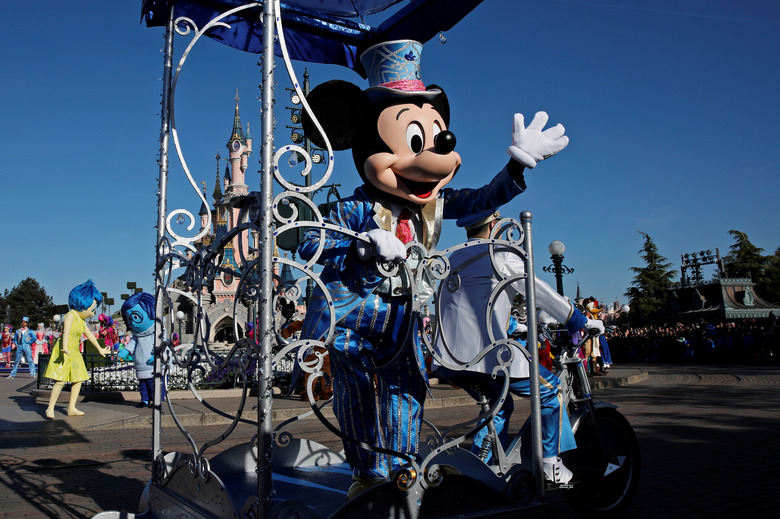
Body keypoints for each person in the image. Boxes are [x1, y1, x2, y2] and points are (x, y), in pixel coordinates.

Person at [297, 40, 569, 498]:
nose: (433, 157)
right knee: (360, 402)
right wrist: (364, 244)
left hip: (407, 324)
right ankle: (366, 479)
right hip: (355, 322)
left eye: (435, 137)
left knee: (406, 398)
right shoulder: (356, 207)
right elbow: (309, 238)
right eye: (413, 141)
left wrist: (516, 165)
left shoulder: (435, 207)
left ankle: (401, 481)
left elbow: (481, 200)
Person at [432, 210, 604, 484]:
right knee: (552, 392)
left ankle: (482, 468)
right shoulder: (498, 253)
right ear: (494, 226)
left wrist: (518, 324)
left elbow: (474, 303)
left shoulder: (454, 257)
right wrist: (575, 318)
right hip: (488, 357)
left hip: (449, 359)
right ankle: (549, 462)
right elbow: (535, 287)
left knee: (499, 406)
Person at [44, 280, 111, 418]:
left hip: (74, 351)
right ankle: (50, 408)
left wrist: (100, 349)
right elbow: (65, 332)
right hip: (65, 350)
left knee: (78, 379)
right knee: (61, 380)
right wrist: (63, 348)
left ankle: (71, 407)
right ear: (82, 303)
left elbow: (90, 335)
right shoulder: (70, 315)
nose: (92, 314)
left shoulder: (81, 321)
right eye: (91, 310)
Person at [121, 292, 164, 408]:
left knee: (153, 384)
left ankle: (156, 400)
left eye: (136, 317)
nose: (133, 322)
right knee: (143, 384)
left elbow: (163, 345)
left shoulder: (156, 333)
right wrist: (126, 350)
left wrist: (157, 355)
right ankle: (145, 399)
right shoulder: (137, 336)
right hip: (141, 365)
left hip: (153, 365)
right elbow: (133, 342)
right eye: (129, 319)